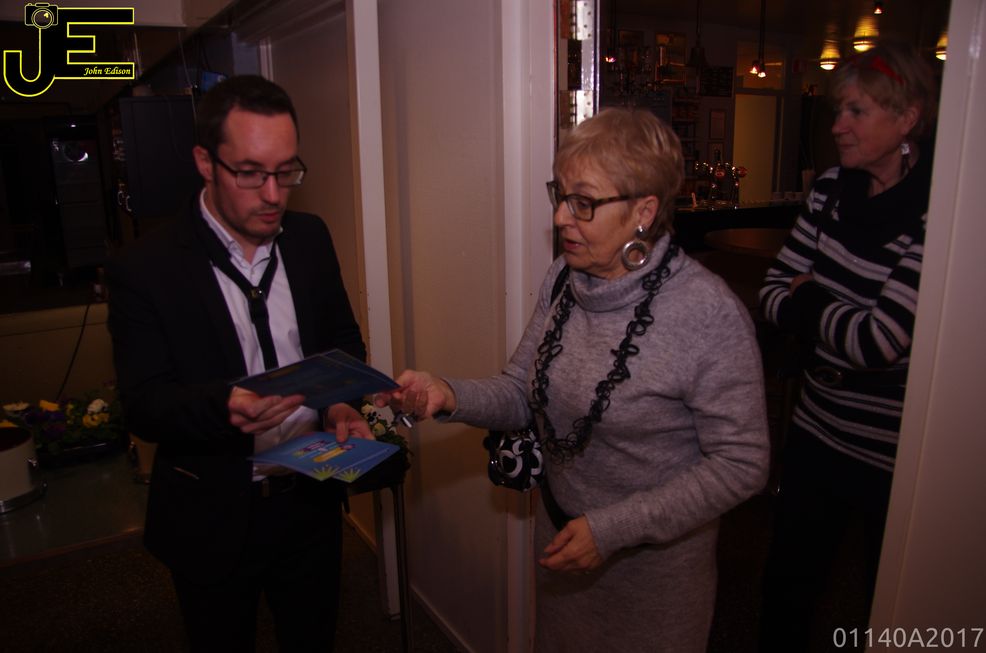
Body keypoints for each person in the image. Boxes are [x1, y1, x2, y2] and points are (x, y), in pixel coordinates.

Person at [380, 108, 770, 651]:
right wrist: (448, 394)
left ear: (643, 211)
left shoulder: (707, 313)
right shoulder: (564, 278)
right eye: (560, 195)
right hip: (562, 551)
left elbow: (743, 463)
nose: (561, 216)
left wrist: (610, 530)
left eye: (583, 202)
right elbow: (521, 390)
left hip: (653, 580)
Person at [107, 75, 371, 652]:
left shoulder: (309, 237)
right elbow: (144, 404)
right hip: (212, 512)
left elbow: (343, 340)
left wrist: (340, 403)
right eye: (251, 173)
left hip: (310, 501)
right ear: (205, 162)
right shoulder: (145, 268)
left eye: (287, 171)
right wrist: (223, 406)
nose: (273, 195)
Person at [758, 42, 939, 651]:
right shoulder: (831, 190)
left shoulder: (938, 212)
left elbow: (877, 341)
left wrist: (809, 298)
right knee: (786, 590)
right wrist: (822, 308)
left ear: (907, 118)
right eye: (839, 111)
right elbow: (772, 293)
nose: (837, 125)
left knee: (889, 605)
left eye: (856, 111)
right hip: (816, 424)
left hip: (893, 449)